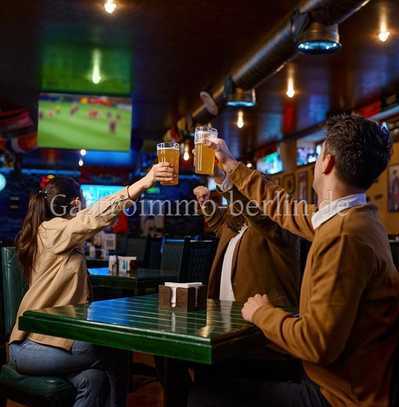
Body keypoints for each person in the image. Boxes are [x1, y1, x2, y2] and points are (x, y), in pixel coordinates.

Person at [189, 114, 399, 407]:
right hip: (337, 381)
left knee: (203, 397)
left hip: (338, 396)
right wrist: (232, 168)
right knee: (215, 379)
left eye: (319, 154)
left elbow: (317, 345)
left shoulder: (343, 236)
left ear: (326, 163)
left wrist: (262, 313)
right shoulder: (354, 219)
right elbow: (282, 207)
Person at [9, 162, 175, 407]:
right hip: (31, 346)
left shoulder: (52, 232)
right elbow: (93, 217)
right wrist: (142, 183)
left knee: (92, 379)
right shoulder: (51, 231)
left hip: (52, 340)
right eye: (82, 200)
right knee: (116, 350)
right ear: (75, 203)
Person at [193, 166, 300, 307]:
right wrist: (206, 203)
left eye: (241, 191)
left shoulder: (277, 224)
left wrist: (222, 180)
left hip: (265, 317)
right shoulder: (236, 225)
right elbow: (218, 224)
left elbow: (257, 215)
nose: (236, 198)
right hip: (227, 310)